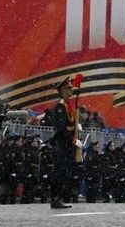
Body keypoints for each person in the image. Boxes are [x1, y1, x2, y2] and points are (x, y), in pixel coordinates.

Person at [44, 77, 80, 210]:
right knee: (58, 172)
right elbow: (61, 128)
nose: (71, 90)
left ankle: (58, 198)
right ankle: (55, 199)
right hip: (61, 143)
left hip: (66, 144)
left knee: (63, 173)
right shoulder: (60, 107)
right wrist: (72, 139)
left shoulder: (67, 105)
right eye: (68, 88)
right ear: (63, 91)